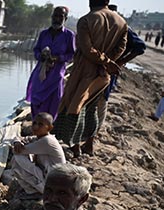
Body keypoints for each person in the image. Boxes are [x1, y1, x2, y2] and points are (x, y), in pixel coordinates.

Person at [52, 0, 128, 157]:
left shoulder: (86, 20)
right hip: (103, 74)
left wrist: (105, 61)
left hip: (84, 70)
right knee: (91, 108)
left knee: (74, 106)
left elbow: (87, 49)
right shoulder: (121, 22)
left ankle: (75, 145)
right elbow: (121, 47)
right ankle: (89, 143)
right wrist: (108, 62)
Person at [25, 6, 76, 121]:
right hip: (41, 74)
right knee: (36, 101)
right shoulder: (44, 34)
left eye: (60, 16)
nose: (57, 19)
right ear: (51, 17)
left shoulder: (69, 35)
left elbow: (71, 55)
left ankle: (47, 128)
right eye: (55, 16)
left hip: (56, 75)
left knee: (53, 103)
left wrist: (58, 58)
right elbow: (36, 50)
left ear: (65, 18)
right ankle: (36, 126)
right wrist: (41, 56)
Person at [11, 112, 67, 195]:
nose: (35, 127)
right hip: (49, 177)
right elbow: (20, 138)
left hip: (54, 182)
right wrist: (17, 142)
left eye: (40, 124)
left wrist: (17, 146)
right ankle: (35, 187)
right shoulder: (39, 137)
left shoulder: (47, 141)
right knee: (22, 154)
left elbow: (17, 151)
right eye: (34, 123)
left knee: (17, 158)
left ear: (49, 128)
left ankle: (33, 190)